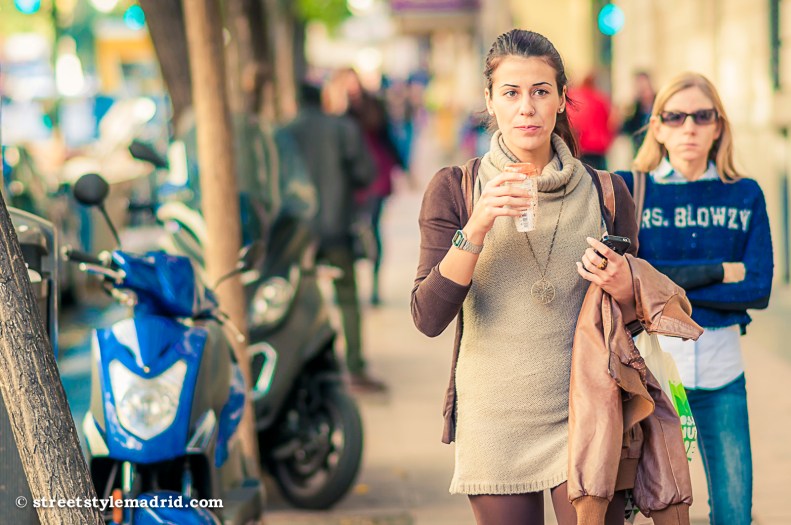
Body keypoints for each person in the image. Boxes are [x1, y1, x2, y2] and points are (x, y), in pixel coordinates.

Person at [411, 29, 642, 524]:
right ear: (490, 102)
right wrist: (475, 227)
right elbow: (428, 317)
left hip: (588, 413)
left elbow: (633, 321)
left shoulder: (608, 193)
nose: (527, 107)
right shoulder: (456, 189)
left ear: (562, 100)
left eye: (540, 91)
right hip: (496, 422)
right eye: (511, 93)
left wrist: (625, 290)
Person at [618, 71, 773, 525]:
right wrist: (720, 273)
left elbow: (759, 288)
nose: (689, 128)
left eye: (702, 117)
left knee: (733, 513)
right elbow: (630, 281)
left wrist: (664, 284)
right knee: (644, 512)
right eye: (676, 116)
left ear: (718, 126)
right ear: (659, 126)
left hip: (723, 378)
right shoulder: (632, 189)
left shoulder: (744, 194)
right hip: (651, 382)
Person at [283, 82, 387, 393]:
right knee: (347, 298)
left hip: (297, 234)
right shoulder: (342, 129)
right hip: (337, 227)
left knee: (297, 299)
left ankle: (301, 367)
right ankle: (354, 365)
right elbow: (366, 173)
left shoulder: (284, 133)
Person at [329, 68, 408, 306]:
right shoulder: (336, 113)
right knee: (348, 229)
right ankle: (347, 280)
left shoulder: (374, 105)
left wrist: (403, 168)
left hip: (376, 174)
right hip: (347, 179)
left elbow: (388, 138)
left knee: (372, 227)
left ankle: (374, 284)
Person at [566, 71, 616, 169]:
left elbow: (571, 123)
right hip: (598, 148)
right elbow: (610, 123)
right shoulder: (601, 99)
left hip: (581, 148)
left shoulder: (573, 97)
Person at [621, 71, 656, 154]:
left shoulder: (658, 102)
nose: (641, 88)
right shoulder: (635, 107)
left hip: (656, 149)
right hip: (639, 150)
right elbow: (625, 129)